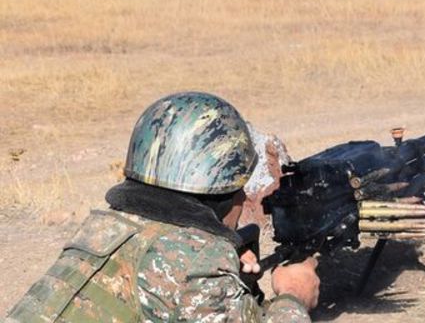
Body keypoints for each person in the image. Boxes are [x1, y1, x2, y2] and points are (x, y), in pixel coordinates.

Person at [5, 92, 320, 322]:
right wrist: (294, 296)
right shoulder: (197, 265)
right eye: (239, 190)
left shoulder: (101, 228)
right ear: (224, 193)